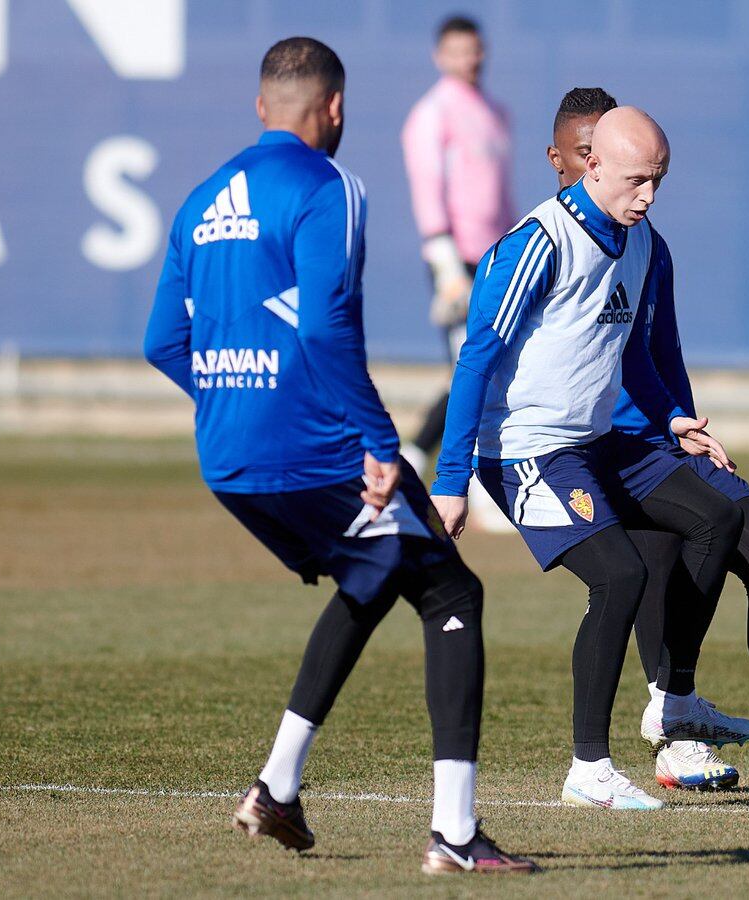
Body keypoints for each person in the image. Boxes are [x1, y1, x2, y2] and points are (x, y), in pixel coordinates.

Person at [143, 37, 534, 875]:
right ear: (336, 110)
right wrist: (379, 442)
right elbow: (324, 327)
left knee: (379, 571)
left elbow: (161, 342)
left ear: (260, 108)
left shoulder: (201, 198)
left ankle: (278, 789)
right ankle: (455, 836)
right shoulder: (330, 187)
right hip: (317, 447)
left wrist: (229, 401)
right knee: (451, 588)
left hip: (228, 458)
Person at [431, 106, 749, 812]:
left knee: (715, 519)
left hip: (596, 441)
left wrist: (672, 416)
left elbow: (629, 351)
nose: (647, 195)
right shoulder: (538, 243)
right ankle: (589, 768)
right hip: (526, 451)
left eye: (659, 181)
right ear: (593, 165)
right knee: (621, 576)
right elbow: (475, 361)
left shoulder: (638, 243)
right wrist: (451, 481)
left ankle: (674, 703)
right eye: (637, 180)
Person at [547, 88, 749, 791]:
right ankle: (675, 741)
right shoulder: (552, 247)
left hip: (667, 442)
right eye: (581, 157)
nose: (641, 189)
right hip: (608, 451)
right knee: (653, 577)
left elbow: (657, 353)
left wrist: (684, 424)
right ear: (568, 162)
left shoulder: (647, 247)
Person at [400, 15, 513, 480]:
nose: (469, 59)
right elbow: (428, 187)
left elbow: (501, 191)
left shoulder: (494, 111)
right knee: (473, 372)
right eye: (458, 50)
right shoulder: (432, 113)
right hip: (456, 257)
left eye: (475, 49)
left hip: (495, 256)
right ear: (440, 56)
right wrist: (444, 260)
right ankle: (467, 478)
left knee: (493, 369)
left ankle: (413, 455)